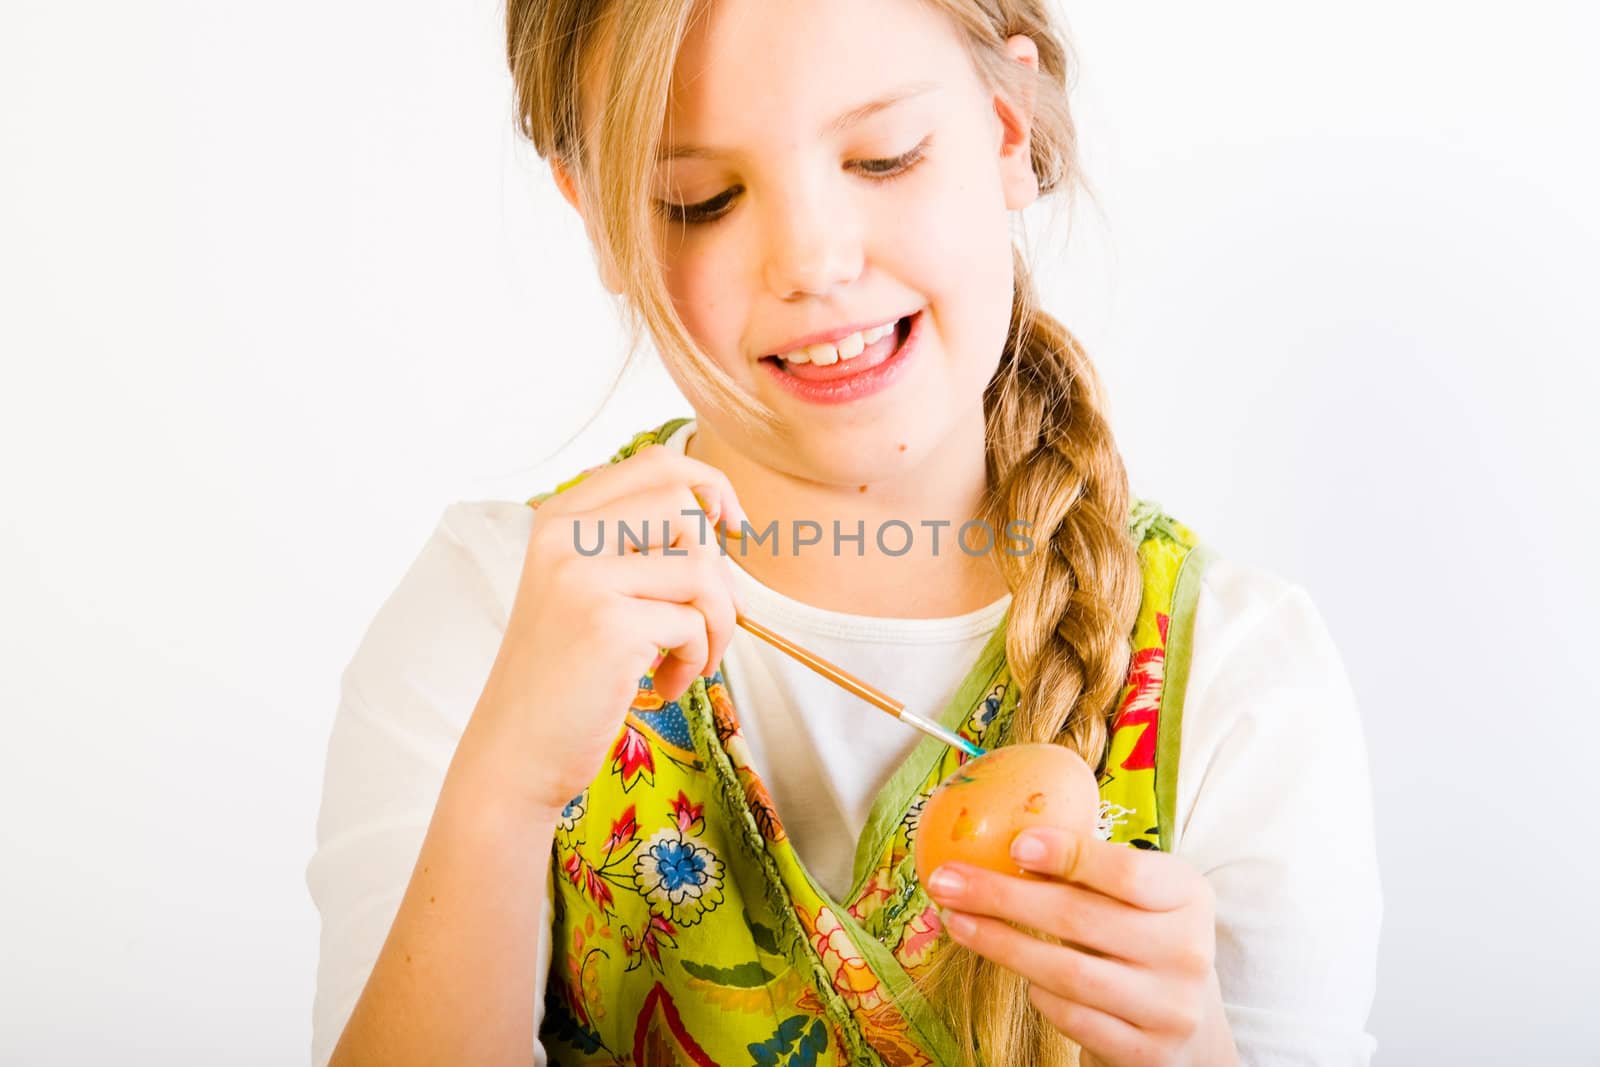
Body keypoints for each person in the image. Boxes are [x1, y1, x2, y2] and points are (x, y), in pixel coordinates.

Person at [306, 1, 1382, 1064]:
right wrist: (502, 798)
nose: (813, 262)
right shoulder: (495, 615)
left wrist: (1192, 1051)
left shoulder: (1237, 674)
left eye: (882, 158)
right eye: (700, 200)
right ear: (598, 218)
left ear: (1008, 127)